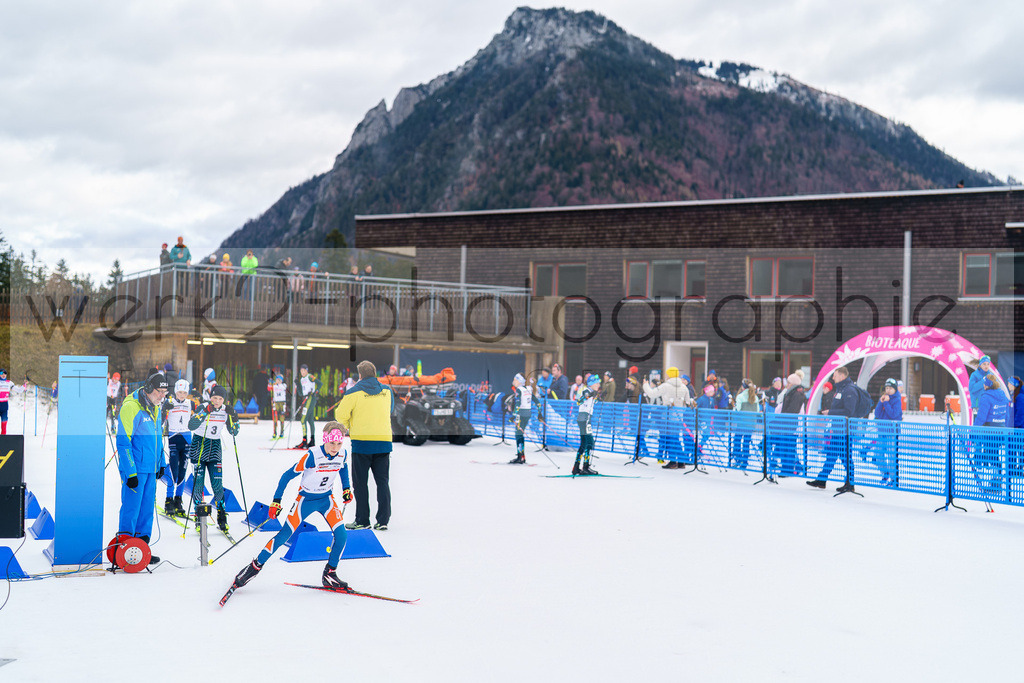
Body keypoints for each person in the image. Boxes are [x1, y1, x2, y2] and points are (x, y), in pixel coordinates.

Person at [228, 421, 353, 595]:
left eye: (339, 443)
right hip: (306, 500)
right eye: (332, 443)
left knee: (342, 536)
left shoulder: (342, 454)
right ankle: (253, 567)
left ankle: (330, 573)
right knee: (283, 536)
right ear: (324, 440)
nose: (335, 447)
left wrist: (346, 488)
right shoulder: (312, 456)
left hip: (327, 499)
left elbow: (343, 468)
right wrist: (276, 501)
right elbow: (286, 476)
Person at [115, 373, 169, 562]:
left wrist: (161, 463)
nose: (162, 396)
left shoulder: (156, 406)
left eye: (165, 392)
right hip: (135, 469)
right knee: (131, 509)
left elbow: (158, 439)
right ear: (148, 389)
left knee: (147, 510)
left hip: (151, 468)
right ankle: (124, 549)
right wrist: (130, 472)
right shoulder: (131, 407)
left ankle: (140, 550)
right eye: (159, 391)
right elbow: (123, 442)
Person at [335, 360, 393, 531]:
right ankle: (383, 520)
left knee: (361, 484)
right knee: (382, 482)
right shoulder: (387, 391)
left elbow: (340, 415)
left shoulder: (353, 392)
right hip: (383, 442)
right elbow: (389, 410)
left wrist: (349, 424)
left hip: (362, 444)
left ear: (359, 375)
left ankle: (362, 520)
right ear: (374, 374)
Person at [188, 385, 239, 532]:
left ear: (224, 400)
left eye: (220, 399)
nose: (217, 401)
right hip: (199, 445)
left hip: (215, 448)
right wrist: (205, 412)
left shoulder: (225, 410)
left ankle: (222, 518)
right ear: (210, 397)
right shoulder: (203, 407)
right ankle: (199, 518)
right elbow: (191, 425)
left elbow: (234, 432)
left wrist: (234, 416)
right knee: (198, 484)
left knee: (217, 484)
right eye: (215, 398)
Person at [808, 366, 858, 493]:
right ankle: (822, 479)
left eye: (835, 375)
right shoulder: (841, 389)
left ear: (842, 376)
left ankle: (850, 483)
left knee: (845, 457)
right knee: (831, 455)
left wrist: (830, 412)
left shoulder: (849, 390)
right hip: (838, 429)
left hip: (845, 431)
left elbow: (849, 411)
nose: (833, 378)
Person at [643, 367, 691, 468]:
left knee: (670, 439)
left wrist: (645, 385)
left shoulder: (666, 386)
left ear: (669, 375)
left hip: (668, 417)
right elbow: (687, 402)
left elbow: (652, 394)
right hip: (679, 417)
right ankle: (681, 461)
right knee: (676, 438)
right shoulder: (684, 387)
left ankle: (673, 461)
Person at [162, 379, 195, 516]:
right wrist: (165, 409)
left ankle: (178, 499)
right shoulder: (170, 402)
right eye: (180, 392)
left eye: (184, 392)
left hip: (187, 438)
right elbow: (162, 416)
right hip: (174, 436)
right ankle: (168, 499)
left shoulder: (190, 403)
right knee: (173, 469)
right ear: (176, 391)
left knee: (183, 470)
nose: (182, 395)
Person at [974, 374, 1010, 489]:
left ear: (987, 385)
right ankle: (996, 478)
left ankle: (996, 481)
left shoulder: (986, 397)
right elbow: (1007, 415)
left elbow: (981, 417)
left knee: (992, 456)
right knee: (993, 454)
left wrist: (974, 430)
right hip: (1001, 430)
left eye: (984, 383)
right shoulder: (1003, 395)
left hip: (990, 431)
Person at [869, 378, 903, 487]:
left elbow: (893, 414)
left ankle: (894, 479)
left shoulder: (897, 400)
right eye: (887, 388)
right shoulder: (885, 399)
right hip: (881, 431)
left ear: (895, 389)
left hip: (891, 433)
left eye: (890, 388)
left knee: (891, 455)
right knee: (878, 455)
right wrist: (881, 402)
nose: (888, 390)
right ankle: (885, 473)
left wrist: (887, 403)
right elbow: (878, 413)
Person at [573, 374, 602, 475]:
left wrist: (596, 397)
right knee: (590, 442)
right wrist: (590, 395)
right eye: (597, 383)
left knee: (584, 443)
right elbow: (579, 401)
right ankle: (585, 466)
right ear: (592, 384)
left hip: (584, 419)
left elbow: (591, 401)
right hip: (584, 419)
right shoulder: (587, 390)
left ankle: (576, 467)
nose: (599, 384)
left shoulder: (591, 392)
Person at [506, 373, 535, 464]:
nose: (513, 381)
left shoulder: (519, 390)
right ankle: (521, 456)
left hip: (521, 414)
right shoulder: (527, 388)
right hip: (527, 413)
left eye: (515, 380)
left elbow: (518, 404)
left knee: (518, 434)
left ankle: (520, 456)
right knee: (520, 434)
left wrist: (514, 415)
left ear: (519, 381)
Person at [732, 379, 761, 471]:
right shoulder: (755, 397)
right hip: (751, 424)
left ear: (743, 387)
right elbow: (757, 411)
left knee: (737, 440)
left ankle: (738, 459)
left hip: (741, 423)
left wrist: (734, 407)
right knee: (746, 442)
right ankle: (744, 462)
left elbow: (738, 410)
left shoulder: (740, 397)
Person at [294, 364, 321, 449]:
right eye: (301, 371)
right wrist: (298, 384)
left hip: (310, 398)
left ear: (307, 370)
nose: (302, 372)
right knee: (310, 420)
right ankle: (312, 441)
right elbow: (301, 393)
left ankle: (304, 441)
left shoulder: (310, 376)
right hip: (306, 398)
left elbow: (320, 383)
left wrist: (315, 391)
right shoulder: (302, 379)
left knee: (303, 420)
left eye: (304, 370)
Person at [270, 374, 287, 439]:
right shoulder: (274, 386)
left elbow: (283, 387)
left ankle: (282, 432)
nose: (278, 381)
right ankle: (275, 432)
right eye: (277, 379)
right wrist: (270, 382)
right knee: (275, 418)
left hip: (282, 403)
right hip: (276, 402)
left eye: (279, 380)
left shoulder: (283, 385)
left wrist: (276, 383)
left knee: (282, 418)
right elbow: (269, 388)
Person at [0, 369, 12, 435]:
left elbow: (19, 390)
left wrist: (24, 385)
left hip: (4, 406)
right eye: (2, 373)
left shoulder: (9, 383)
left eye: (5, 373)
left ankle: (3, 440)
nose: (3, 375)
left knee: (4, 425)